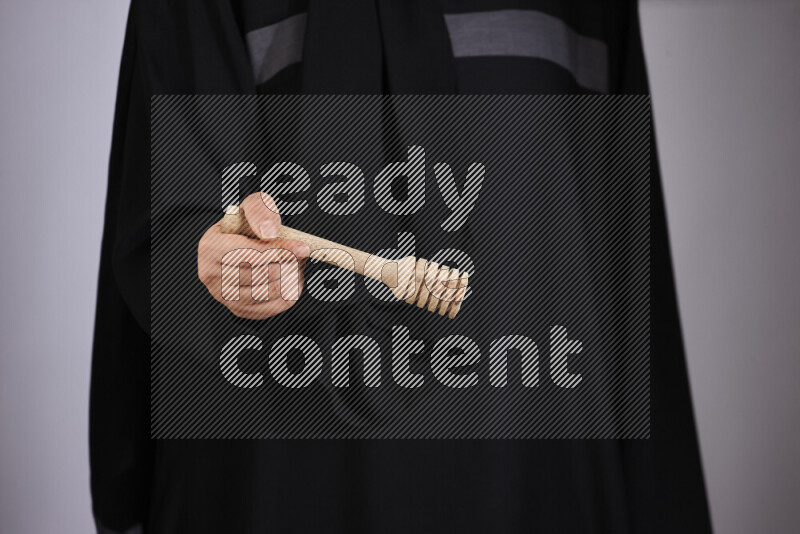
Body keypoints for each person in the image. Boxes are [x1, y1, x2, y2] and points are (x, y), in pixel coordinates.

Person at [91, 1, 712, 532]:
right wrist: (206, 258)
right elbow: (159, 218)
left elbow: (626, 259)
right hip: (265, 478)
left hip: (538, 471)